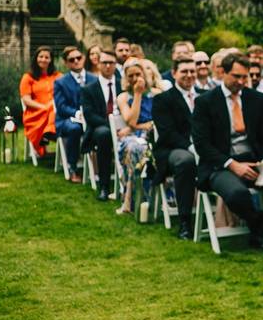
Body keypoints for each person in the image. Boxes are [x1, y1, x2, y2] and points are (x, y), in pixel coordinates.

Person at [191, 53, 263, 249]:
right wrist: (232, 165)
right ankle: (259, 227)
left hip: (255, 162)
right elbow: (202, 144)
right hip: (219, 165)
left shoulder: (257, 99)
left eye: (244, 77)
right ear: (222, 73)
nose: (241, 81)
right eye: (236, 76)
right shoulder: (205, 102)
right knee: (237, 194)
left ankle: (262, 228)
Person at [151, 56, 199, 240]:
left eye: (192, 71)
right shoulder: (163, 99)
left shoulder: (204, 94)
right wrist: (190, 147)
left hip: (204, 147)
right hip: (172, 149)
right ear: (174, 74)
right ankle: (185, 221)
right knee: (186, 162)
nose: (189, 75)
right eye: (184, 71)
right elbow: (167, 133)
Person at [81, 49, 122, 201]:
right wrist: (112, 127)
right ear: (98, 64)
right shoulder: (89, 89)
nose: (108, 66)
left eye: (111, 63)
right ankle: (104, 186)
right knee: (104, 135)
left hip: (123, 127)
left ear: (115, 65)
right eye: (104, 62)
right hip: (100, 127)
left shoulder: (122, 85)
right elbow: (89, 115)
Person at [114, 60, 154, 215]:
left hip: (154, 134)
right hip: (132, 137)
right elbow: (131, 120)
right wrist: (137, 94)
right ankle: (132, 198)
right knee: (135, 148)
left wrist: (140, 125)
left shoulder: (156, 94)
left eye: (138, 74)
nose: (135, 78)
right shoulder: (124, 97)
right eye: (131, 76)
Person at [54, 46, 97, 183]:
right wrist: (77, 113)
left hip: (91, 117)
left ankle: (100, 167)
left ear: (84, 59)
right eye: (72, 60)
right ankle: (72, 167)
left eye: (79, 58)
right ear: (66, 63)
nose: (76, 61)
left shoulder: (94, 79)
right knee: (75, 128)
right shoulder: (60, 82)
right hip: (68, 119)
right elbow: (61, 107)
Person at [19, 46, 60, 158]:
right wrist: (44, 107)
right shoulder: (28, 77)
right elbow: (26, 99)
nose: (43, 59)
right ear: (36, 58)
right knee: (53, 108)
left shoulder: (57, 76)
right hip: (35, 113)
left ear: (51, 60)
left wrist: (51, 106)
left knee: (54, 107)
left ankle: (48, 132)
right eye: (40, 56)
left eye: (47, 57)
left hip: (54, 112)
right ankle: (49, 132)